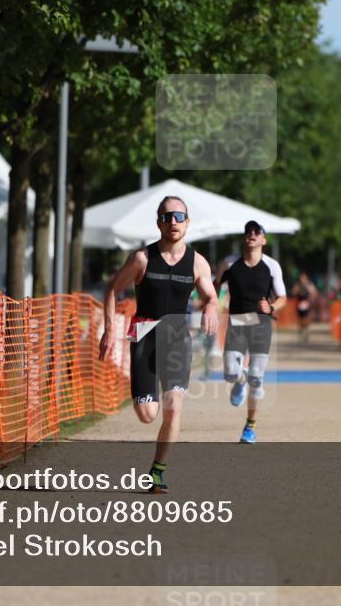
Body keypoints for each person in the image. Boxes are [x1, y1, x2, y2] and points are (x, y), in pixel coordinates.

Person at [99, 196, 218, 494]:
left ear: (188, 222)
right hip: (144, 332)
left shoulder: (197, 262)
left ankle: (157, 472)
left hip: (177, 335)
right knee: (147, 414)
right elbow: (113, 289)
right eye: (167, 217)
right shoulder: (142, 258)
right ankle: (146, 409)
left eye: (179, 216)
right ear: (158, 223)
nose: (173, 222)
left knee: (173, 409)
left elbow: (211, 296)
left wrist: (212, 307)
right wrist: (110, 329)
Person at [216, 220, 287, 444]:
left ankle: (250, 427)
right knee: (229, 372)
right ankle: (239, 381)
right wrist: (213, 305)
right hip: (237, 322)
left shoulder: (272, 266)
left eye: (257, 232)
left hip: (261, 325)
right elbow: (216, 287)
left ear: (264, 239)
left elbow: (283, 297)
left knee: (257, 378)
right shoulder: (229, 263)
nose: (252, 234)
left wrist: (273, 306)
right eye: (248, 231)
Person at [291, 272, 317, 343]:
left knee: (306, 320)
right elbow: (293, 292)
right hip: (299, 305)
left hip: (306, 304)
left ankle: (306, 333)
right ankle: (300, 332)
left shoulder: (309, 285)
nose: (302, 279)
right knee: (300, 320)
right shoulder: (298, 285)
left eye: (304, 278)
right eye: (301, 278)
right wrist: (297, 291)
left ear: (306, 278)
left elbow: (314, 293)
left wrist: (310, 294)